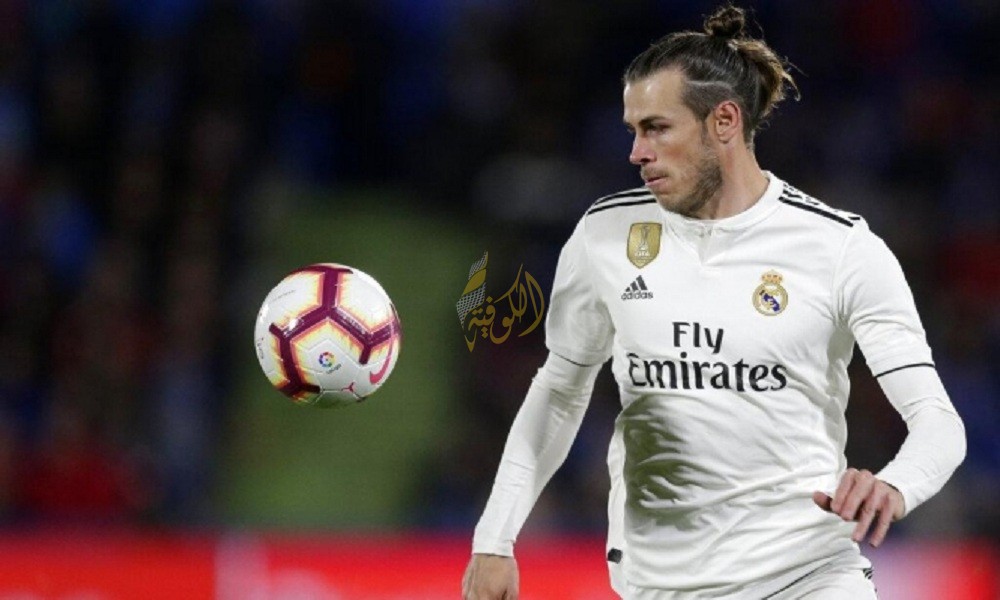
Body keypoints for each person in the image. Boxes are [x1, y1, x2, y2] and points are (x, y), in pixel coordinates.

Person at [461, 5, 967, 599]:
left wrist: (896, 484)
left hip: (807, 578)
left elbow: (938, 422)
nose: (637, 152)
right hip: (655, 584)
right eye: (633, 130)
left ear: (724, 120)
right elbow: (559, 390)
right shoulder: (604, 235)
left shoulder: (840, 248)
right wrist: (494, 538)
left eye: (657, 128)